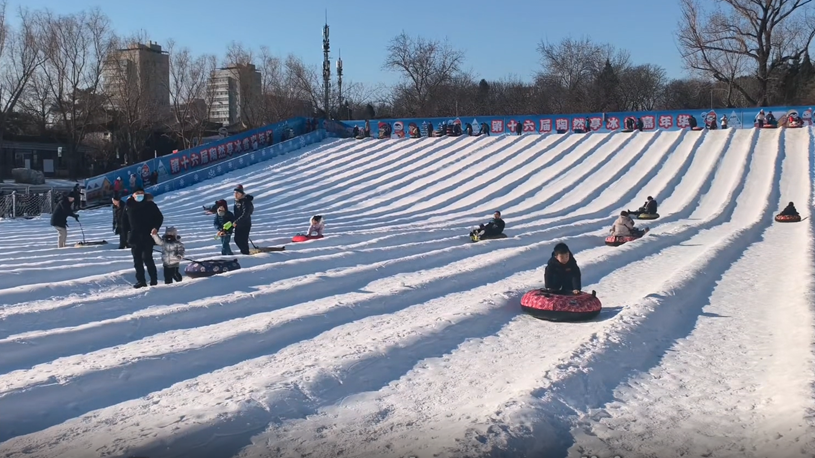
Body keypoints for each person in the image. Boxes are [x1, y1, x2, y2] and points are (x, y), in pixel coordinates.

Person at [126, 188, 164, 288]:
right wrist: (126, 236)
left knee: (147, 258)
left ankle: (153, 279)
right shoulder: (128, 206)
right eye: (137, 193)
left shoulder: (150, 205)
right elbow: (124, 222)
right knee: (137, 260)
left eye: (141, 193)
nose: (140, 195)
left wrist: (156, 227)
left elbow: (159, 217)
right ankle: (141, 281)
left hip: (147, 236)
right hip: (134, 237)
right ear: (133, 195)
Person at [232, 184, 254, 255]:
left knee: (243, 240)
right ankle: (244, 252)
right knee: (237, 239)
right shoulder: (236, 201)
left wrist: (237, 222)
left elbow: (245, 214)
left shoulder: (245, 202)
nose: (235, 194)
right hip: (238, 224)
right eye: (235, 193)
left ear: (241, 194)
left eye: (237, 193)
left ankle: (246, 253)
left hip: (245, 224)